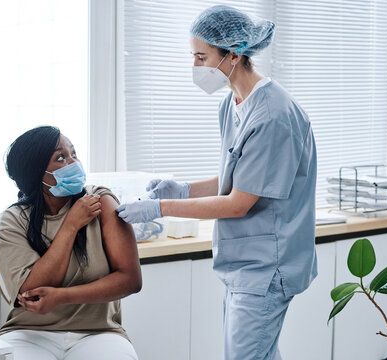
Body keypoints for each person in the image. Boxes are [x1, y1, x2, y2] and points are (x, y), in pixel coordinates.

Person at [116, 5, 317, 360]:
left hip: (268, 264)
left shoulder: (273, 116)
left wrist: (160, 208)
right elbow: (234, 180)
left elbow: (239, 203)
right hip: (244, 262)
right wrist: (182, 189)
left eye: (201, 56)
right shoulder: (233, 104)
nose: (196, 66)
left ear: (233, 55)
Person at [0, 126, 141, 360]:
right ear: (36, 173)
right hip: (29, 333)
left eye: (73, 153)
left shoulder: (101, 201)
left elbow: (130, 280)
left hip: (99, 333)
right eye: (61, 157)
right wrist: (71, 225)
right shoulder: (14, 220)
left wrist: (61, 297)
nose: (73, 163)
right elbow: (32, 292)